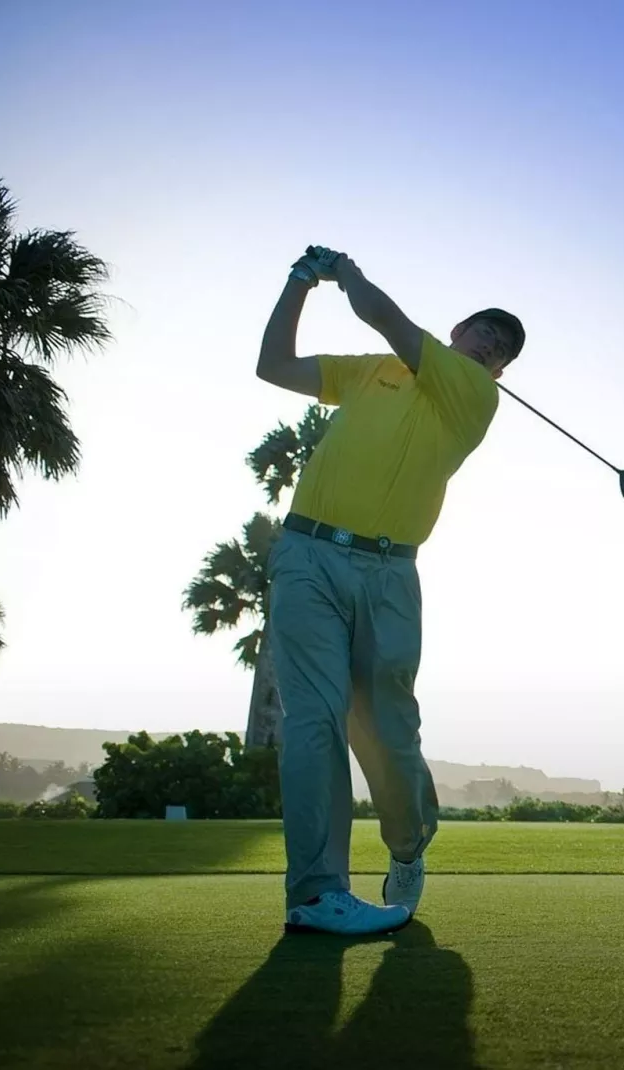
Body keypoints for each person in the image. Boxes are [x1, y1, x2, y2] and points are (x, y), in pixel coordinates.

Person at [255, 245, 524, 935]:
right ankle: (316, 894)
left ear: (497, 369)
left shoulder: (473, 396)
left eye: (500, 349)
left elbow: (382, 314)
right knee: (314, 723)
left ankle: (407, 849)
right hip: (308, 556)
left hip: (389, 576)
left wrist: (344, 273)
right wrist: (297, 285)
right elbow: (274, 366)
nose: (488, 347)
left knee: (386, 733)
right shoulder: (377, 371)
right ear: (457, 330)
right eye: (483, 332)